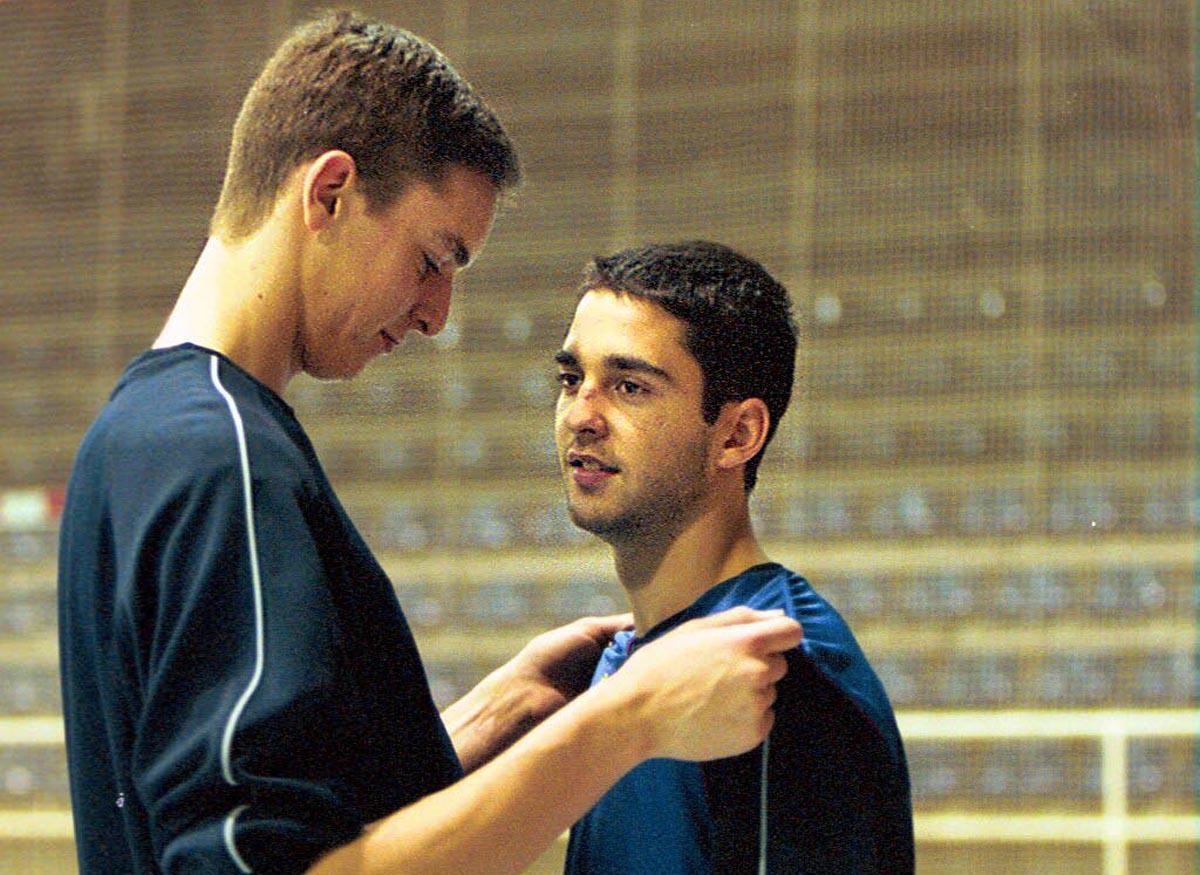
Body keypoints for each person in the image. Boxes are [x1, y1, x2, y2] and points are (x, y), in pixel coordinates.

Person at [56, 14, 804, 874]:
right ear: (330, 192)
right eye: (432, 258)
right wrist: (625, 722)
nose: (436, 314)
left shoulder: (136, 435)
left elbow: (289, 810)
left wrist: (495, 718)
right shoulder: (223, 460)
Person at [554, 241, 914, 874]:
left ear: (738, 434)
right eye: (570, 379)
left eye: (629, 386)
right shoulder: (622, 664)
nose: (582, 415)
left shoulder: (779, 671)